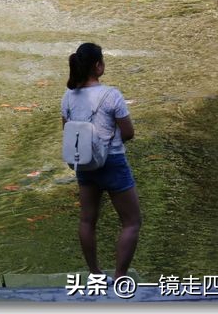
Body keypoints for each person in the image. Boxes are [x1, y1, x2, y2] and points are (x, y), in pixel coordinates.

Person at [62, 42, 141, 280]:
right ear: (98, 66)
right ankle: (119, 276)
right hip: (113, 161)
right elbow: (128, 133)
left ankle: (95, 273)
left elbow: (67, 133)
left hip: (84, 163)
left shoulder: (68, 97)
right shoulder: (111, 95)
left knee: (87, 220)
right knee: (131, 221)